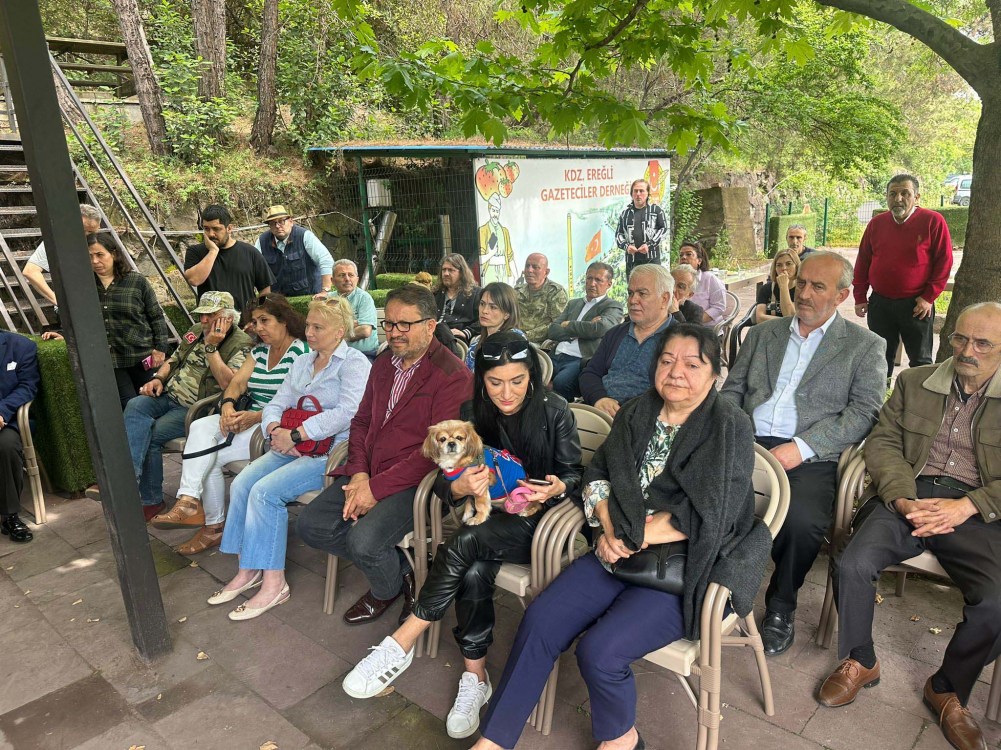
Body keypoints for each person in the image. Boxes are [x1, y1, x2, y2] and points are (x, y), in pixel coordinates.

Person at [468, 324, 771, 750]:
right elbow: (597, 475)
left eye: (692, 364)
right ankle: (494, 741)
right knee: (540, 621)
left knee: (600, 652)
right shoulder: (637, 412)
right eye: (667, 361)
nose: (676, 372)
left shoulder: (729, 426)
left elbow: (714, 512)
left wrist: (634, 537)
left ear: (714, 373)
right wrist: (610, 530)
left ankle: (621, 739)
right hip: (615, 547)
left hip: (680, 568)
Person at [340, 331, 582, 739]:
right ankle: (475, 678)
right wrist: (458, 487)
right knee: (471, 567)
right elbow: (441, 479)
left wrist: (558, 486)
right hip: (485, 518)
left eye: (517, 381)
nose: (506, 392)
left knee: (465, 542)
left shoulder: (554, 410)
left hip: (537, 523)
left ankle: (402, 641)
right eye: (495, 382)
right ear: (482, 380)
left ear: (532, 376)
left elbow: (575, 475)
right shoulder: (472, 413)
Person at [819, 302, 1001, 750]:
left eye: (983, 343)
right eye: (960, 338)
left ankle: (947, 688)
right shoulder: (914, 381)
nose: (967, 351)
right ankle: (861, 659)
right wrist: (902, 497)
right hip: (910, 493)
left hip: (975, 511)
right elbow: (882, 442)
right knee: (852, 561)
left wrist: (968, 506)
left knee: (997, 600)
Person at [720, 252, 886, 656]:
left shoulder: (865, 346)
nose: (804, 293)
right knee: (709, 499)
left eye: (818, 286)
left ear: (842, 295)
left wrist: (802, 447)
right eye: (802, 283)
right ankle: (717, 590)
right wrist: (736, 435)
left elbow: (865, 412)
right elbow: (731, 392)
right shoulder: (763, 335)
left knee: (801, 522)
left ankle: (781, 603)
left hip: (810, 454)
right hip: (748, 442)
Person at [296, 284, 472, 626]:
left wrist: (375, 489)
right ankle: (404, 573)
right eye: (389, 323)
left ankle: (383, 589)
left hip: (417, 483)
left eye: (405, 324)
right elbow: (361, 421)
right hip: (370, 470)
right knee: (312, 525)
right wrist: (360, 473)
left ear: (430, 326)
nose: (394, 332)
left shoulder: (452, 376)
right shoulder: (382, 364)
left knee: (363, 542)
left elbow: (437, 452)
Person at [210, 297, 371, 620]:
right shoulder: (303, 361)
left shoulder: (354, 363)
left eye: (317, 327)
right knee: (241, 484)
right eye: (308, 325)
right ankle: (248, 569)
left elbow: (347, 413)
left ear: (339, 331)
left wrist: (297, 434)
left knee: (264, 493)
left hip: (331, 452)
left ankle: (274, 584)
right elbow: (277, 401)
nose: (308, 332)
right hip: (291, 443)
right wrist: (274, 429)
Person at [151, 294, 309, 554]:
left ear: (283, 320)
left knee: (211, 458)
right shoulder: (260, 351)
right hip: (245, 417)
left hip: (273, 426)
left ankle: (211, 526)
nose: (258, 328)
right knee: (201, 426)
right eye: (255, 322)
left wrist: (255, 417)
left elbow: (297, 403)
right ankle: (189, 502)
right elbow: (236, 383)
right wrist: (227, 407)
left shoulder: (300, 353)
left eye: (265, 321)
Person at [124, 291, 253, 521]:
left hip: (195, 408)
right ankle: (127, 478)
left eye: (211, 315)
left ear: (228, 318)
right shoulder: (196, 330)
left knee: (152, 435)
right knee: (135, 405)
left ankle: (151, 501)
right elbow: (174, 359)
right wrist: (158, 378)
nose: (203, 320)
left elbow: (229, 384)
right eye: (201, 314)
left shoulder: (241, 343)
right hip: (167, 393)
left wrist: (211, 347)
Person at [45, 234, 173, 407]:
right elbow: (77, 319)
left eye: (100, 255)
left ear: (113, 254)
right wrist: (66, 336)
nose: (95, 261)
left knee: (153, 400)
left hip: (141, 355)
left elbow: (156, 316)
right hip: (110, 361)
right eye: (90, 256)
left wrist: (160, 348)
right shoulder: (83, 286)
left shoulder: (136, 281)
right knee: (129, 405)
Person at [853, 174, 954, 379]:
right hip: (880, 303)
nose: (898, 199)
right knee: (879, 358)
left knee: (920, 361)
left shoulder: (933, 221)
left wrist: (928, 297)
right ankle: (879, 396)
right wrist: (860, 296)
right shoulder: (876, 224)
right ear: (887, 197)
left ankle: (916, 399)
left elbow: (944, 262)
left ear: (916, 197)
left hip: (917, 305)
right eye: (893, 194)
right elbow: (863, 260)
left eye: (905, 193)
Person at [580, 265, 675, 419]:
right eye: (630, 293)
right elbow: (590, 373)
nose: (632, 300)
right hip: (600, 412)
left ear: (664, 299)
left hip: (644, 419)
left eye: (642, 294)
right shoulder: (616, 334)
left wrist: (628, 413)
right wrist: (599, 398)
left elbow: (676, 391)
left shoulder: (680, 340)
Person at [546, 262, 623, 401]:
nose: (592, 283)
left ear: (609, 284)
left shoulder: (612, 306)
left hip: (580, 360)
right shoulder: (574, 303)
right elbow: (552, 330)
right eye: (589, 278)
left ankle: (564, 412)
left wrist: (569, 324)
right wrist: (583, 329)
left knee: (561, 383)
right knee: (531, 375)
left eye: (598, 280)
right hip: (556, 354)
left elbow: (600, 329)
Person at [184, 204, 273, 312]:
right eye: (206, 229)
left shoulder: (250, 252)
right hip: (210, 320)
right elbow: (194, 280)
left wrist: (256, 316)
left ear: (229, 228)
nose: (211, 234)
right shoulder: (195, 251)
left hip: (244, 320)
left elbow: (265, 290)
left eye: (216, 229)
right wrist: (213, 251)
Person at [22, 203, 102, 311]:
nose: (86, 235)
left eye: (91, 231)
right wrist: (58, 301)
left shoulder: (100, 241)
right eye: (82, 230)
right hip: (75, 307)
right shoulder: (57, 240)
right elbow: (30, 271)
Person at [0, 331, 39, 544]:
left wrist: (2, 411)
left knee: (5, 445)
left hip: (8, 420)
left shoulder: (21, 346)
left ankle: (10, 516)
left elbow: (27, 387)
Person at [254, 205, 333, 297]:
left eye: (281, 221)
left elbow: (326, 260)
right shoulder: (261, 241)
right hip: (279, 299)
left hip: (311, 295)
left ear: (291, 222)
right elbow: (254, 269)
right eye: (272, 223)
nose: (277, 226)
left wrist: (325, 291)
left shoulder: (305, 236)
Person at [317, 259, 379, 357]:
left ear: (357, 279)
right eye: (342, 275)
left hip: (364, 354)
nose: (347, 279)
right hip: (333, 354)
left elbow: (365, 331)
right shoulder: (329, 299)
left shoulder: (364, 298)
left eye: (351, 275)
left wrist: (335, 336)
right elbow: (320, 328)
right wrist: (351, 324)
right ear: (332, 281)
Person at [465, 282, 525, 370]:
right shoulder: (476, 343)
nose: (484, 311)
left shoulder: (516, 340)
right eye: (482, 304)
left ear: (507, 314)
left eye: (493, 307)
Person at [615, 179, 667, 277]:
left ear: (647, 193)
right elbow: (618, 234)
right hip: (632, 261)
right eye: (635, 191)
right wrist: (626, 246)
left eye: (641, 191)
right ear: (631, 194)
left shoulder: (656, 210)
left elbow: (663, 229)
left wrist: (649, 245)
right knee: (633, 286)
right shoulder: (625, 214)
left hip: (652, 260)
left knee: (654, 285)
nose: (638, 194)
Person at [515, 253, 568, 346]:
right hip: (515, 339)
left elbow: (557, 324)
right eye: (527, 266)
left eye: (535, 267)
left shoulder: (556, 292)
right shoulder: (517, 291)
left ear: (546, 272)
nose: (529, 270)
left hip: (541, 343)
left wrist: (526, 336)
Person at [433, 253, 482, 345]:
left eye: (451, 270)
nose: (446, 273)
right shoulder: (435, 293)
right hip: (433, 334)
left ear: (462, 273)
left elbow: (484, 320)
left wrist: (466, 332)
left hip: (457, 339)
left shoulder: (475, 294)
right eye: (444, 270)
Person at [678, 241, 726, 325]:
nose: (683, 257)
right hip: (680, 326)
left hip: (706, 328)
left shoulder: (710, 279)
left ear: (699, 261)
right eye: (681, 255)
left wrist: (694, 321)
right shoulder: (675, 278)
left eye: (689, 254)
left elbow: (719, 307)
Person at [754, 250, 801, 324]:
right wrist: (783, 321)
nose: (784, 268)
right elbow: (759, 318)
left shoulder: (803, 289)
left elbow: (790, 317)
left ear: (796, 266)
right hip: (769, 329)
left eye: (788, 264)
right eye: (779, 265)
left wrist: (784, 286)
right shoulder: (766, 289)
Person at [478, 193, 516, 285]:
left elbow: (510, 257)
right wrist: (491, 254)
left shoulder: (505, 231)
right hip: (490, 271)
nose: (495, 214)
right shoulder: (483, 230)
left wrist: (516, 275)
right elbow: (480, 259)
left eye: (497, 211)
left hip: (504, 271)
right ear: (489, 210)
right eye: (493, 210)